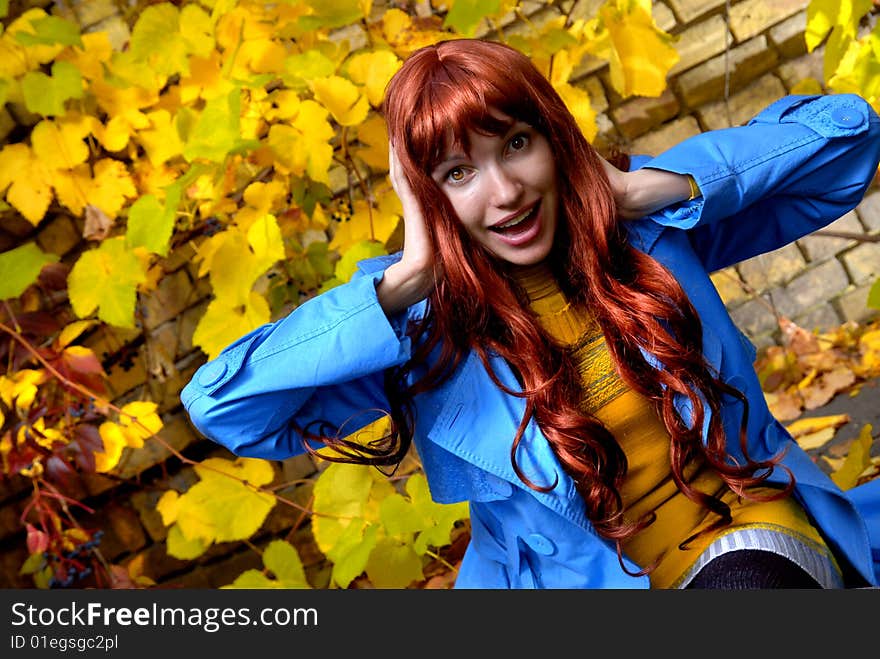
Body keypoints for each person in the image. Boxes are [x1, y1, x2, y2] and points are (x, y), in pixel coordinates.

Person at [181, 38, 880, 589]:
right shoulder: (419, 331)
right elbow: (226, 406)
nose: (506, 191)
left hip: (746, 535)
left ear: (552, 138)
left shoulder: (647, 234)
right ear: (427, 197)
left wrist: (643, 188)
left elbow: (848, 138)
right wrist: (409, 279)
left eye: (516, 143)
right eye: (459, 173)